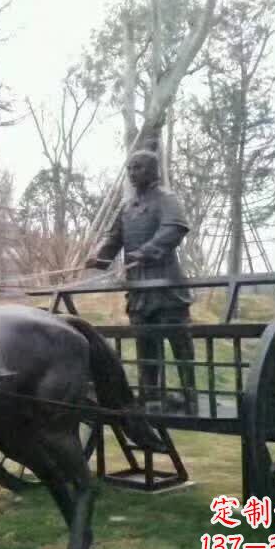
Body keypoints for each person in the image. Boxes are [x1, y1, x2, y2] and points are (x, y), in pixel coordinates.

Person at [86, 149, 197, 413]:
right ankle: (151, 395)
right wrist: (99, 258)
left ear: (153, 170)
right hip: (138, 290)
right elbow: (114, 238)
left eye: (139, 168)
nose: (133, 173)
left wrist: (145, 252)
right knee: (146, 344)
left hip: (167, 287)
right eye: (130, 168)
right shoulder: (127, 207)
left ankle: (190, 396)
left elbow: (174, 229)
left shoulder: (166, 199)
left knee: (179, 343)